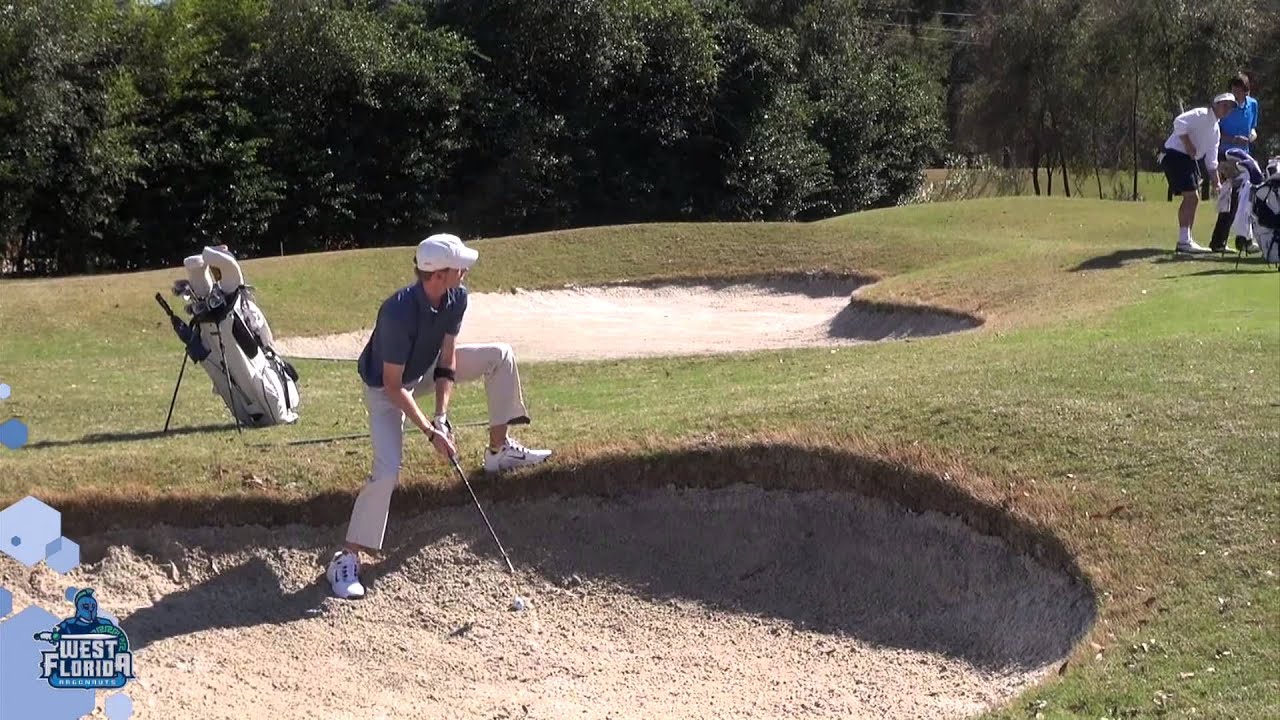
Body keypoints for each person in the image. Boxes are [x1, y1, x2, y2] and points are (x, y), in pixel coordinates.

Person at [325, 233, 552, 599]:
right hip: (386, 390)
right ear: (438, 274)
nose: (465, 272)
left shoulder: (456, 297)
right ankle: (346, 558)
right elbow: (395, 386)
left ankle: (498, 451)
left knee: (500, 355)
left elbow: (448, 358)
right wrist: (431, 432)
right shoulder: (397, 312)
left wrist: (442, 417)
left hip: (426, 370)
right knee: (387, 471)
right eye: (459, 267)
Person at [1160, 93, 1239, 254]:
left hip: (1187, 159)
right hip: (1174, 154)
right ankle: (1184, 241)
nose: (1227, 109)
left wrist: (1216, 182)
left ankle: (1186, 239)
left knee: (1193, 199)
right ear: (1216, 104)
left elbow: (1211, 161)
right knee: (1192, 197)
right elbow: (1179, 122)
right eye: (1224, 105)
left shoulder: (1215, 130)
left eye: (1230, 107)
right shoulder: (1201, 114)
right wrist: (1188, 144)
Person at [1211, 73, 1262, 252]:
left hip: (1245, 159)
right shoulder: (1227, 106)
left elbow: (1252, 127)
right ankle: (1220, 242)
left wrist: (1251, 135)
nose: (1235, 95)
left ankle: (1242, 240)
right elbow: (1215, 130)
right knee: (1231, 198)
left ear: (1246, 92)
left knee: (1247, 198)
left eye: (1238, 92)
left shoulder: (1253, 105)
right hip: (1225, 155)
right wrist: (1233, 138)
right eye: (1233, 90)